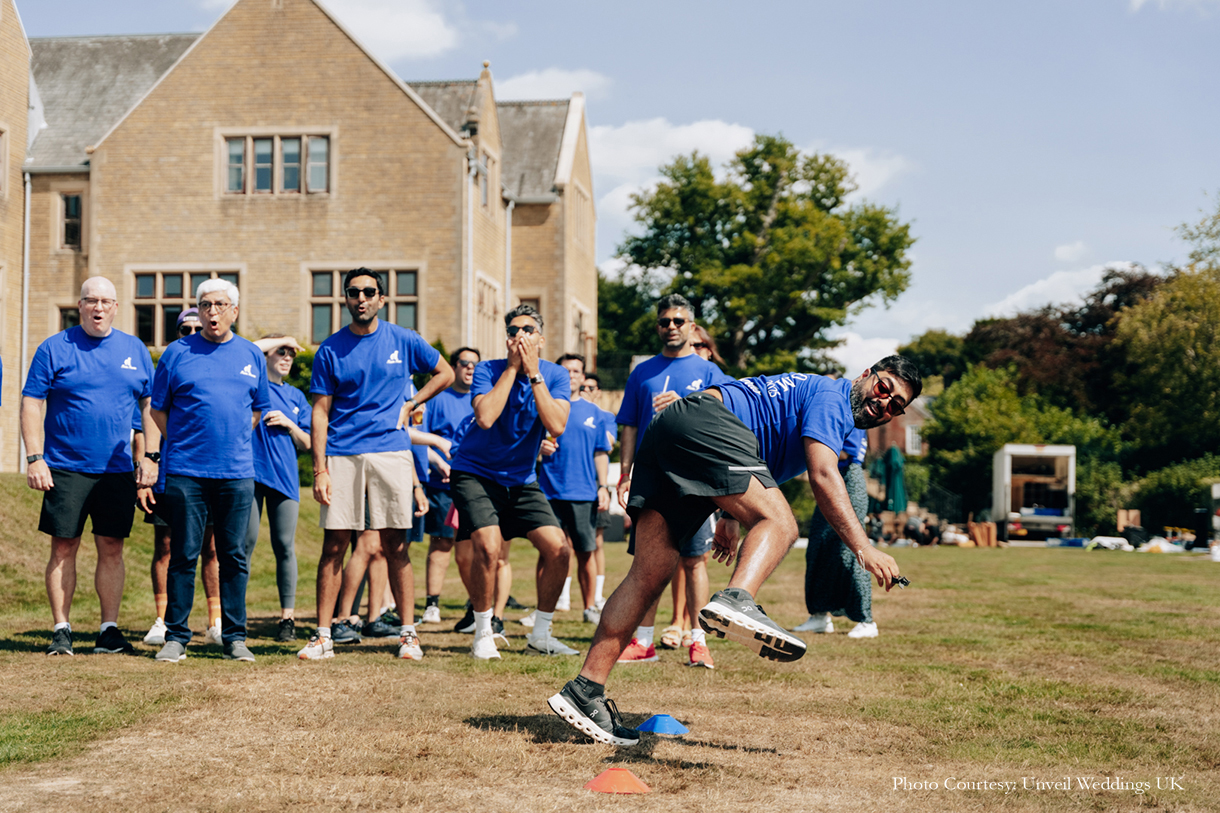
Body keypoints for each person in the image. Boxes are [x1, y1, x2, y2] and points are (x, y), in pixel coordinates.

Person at [548, 356, 921, 745]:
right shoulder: (834, 397)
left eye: (896, 406)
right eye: (884, 389)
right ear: (866, 375)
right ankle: (736, 599)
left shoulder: (814, 397)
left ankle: (584, 690)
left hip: (672, 433)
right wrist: (864, 548)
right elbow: (823, 475)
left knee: (649, 574)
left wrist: (730, 517)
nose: (885, 405)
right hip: (706, 421)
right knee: (783, 524)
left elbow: (755, 456)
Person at [299, 268, 453, 662]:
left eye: (369, 291)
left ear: (382, 299)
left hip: (391, 450)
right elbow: (320, 413)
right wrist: (319, 469)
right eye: (353, 292)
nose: (361, 298)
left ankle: (408, 635)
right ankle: (323, 636)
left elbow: (446, 373)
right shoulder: (330, 349)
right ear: (346, 299)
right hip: (343, 453)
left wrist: (413, 402)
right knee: (334, 543)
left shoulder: (403, 340)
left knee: (395, 544)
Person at [22, 277, 155, 657]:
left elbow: (150, 406)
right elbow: (31, 403)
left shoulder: (134, 349)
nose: (98, 308)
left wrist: (149, 457)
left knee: (112, 546)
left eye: (106, 302)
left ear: (116, 307)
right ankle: (61, 629)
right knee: (64, 547)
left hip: (116, 469)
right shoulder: (54, 348)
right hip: (64, 467)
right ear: (79, 305)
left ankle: (108, 630)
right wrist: (36, 458)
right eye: (91, 301)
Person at [147, 278, 270, 663]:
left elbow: (257, 410)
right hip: (186, 472)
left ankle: (234, 637)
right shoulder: (176, 353)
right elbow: (157, 408)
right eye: (205, 305)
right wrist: (183, 441)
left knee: (233, 556)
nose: (212, 312)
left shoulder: (251, 355)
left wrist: (230, 441)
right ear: (197, 311)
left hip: (236, 473)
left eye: (219, 305)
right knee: (183, 553)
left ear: (234, 310)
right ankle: (177, 637)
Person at [448, 303, 578, 660]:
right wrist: (512, 369)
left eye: (528, 330)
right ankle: (484, 632)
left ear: (542, 338)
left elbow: (557, 425)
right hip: (474, 472)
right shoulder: (487, 370)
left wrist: (534, 373)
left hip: (521, 480)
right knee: (488, 547)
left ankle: (541, 634)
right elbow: (486, 417)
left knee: (559, 549)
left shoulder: (555, 375)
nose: (520, 337)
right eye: (513, 331)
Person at [613, 295, 734, 665]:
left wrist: (683, 404)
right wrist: (625, 472)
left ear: (691, 326)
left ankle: (698, 641)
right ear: (658, 327)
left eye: (678, 321)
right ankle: (644, 642)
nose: (671, 327)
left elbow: (726, 423)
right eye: (664, 321)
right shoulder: (642, 372)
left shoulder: (710, 373)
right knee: (646, 564)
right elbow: (629, 426)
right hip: (651, 478)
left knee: (695, 561)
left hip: (694, 480)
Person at [139, 308, 227, 649]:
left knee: (211, 549)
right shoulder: (170, 365)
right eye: (185, 328)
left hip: (209, 472)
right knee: (166, 546)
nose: (192, 332)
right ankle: (163, 621)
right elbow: (147, 418)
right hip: (169, 471)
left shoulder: (218, 363)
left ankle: (215, 622)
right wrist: (146, 468)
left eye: (197, 326)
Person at [244, 335, 312, 643]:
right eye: (279, 352)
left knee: (284, 546)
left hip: (285, 479)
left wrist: (289, 423)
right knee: (243, 545)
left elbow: (309, 443)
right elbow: (246, 349)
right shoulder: (251, 387)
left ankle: (287, 619)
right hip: (250, 475)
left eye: (290, 354)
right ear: (266, 356)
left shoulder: (297, 397)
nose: (286, 357)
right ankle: (235, 617)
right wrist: (280, 339)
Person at [540, 354, 612, 624]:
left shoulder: (595, 413)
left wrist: (603, 486)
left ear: (583, 377)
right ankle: (542, 611)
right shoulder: (543, 406)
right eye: (566, 370)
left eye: (576, 371)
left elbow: (601, 453)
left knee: (586, 553)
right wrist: (539, 449)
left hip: (583, 493)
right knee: (548, 552)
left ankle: (589, 608)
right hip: (548, 493)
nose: (571, 375)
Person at [794, 426, 879, 638]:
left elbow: (843, 452)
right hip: (833, 478)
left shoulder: (852, 415)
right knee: (818, 546)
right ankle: (819, 616)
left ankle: (866, 620)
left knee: (852, 551)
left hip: (848, 479)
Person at [419, 347, 479, 625]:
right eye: (464, 363)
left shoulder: (483, 400)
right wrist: (436, 463)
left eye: (474, 365)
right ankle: (432, 604)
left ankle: (476, 605)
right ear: (454, 367)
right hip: (441, 484)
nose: (469, 368)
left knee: (473, 549)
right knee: (442, 543)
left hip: (475, 486)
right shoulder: (437, 399)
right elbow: (419, 436)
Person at [579, 372, 618, 611]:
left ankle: (597, 595)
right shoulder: (566, 410)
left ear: (598, 392)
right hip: (571, 485)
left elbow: (609, 443)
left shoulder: (605, 416)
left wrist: (589, 415)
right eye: (582, 386)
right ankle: (562, 596)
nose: (585, 390)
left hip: (596, 484)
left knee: (596, 542)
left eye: (590, 387)